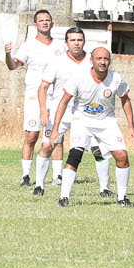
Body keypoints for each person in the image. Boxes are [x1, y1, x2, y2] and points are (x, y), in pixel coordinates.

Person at [53, 46, 134, 207]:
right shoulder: (79, 77)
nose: (102, 62)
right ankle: (64, 197)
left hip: (106, 121)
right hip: (82, 120)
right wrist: (56, 128)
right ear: (91, 60)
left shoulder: (116, 79)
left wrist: (131, 127)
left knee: (122, 155)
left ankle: (122, 198)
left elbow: (125, 100)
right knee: (75, 155)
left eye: (106, 59)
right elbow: (64, 101)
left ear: (110, 61)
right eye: (99, 58)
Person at [35, 27, 99, 197]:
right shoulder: (57, 62)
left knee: (98, 149)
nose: (76, 43)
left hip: (84, 114)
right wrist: (43, 110)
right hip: (59, 112)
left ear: (84, 42)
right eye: (73, 40)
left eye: (79, 40)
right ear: (66, 43)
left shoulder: (92, 61)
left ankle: (105, 188)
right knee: (47, 145)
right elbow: (43, 87)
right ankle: (39, 185)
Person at [4, 9, 60, 189]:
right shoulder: (28, 46)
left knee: (55, 136)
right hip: (34, 97)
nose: (45, 23)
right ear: (35, 25)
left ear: (52, 23)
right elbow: (13, 66)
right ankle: (26, 175)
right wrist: (8, 55)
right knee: (32, 135)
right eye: (41, 20)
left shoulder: (60, 46)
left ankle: (57, 176)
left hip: (55, 97)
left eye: (47, 20)